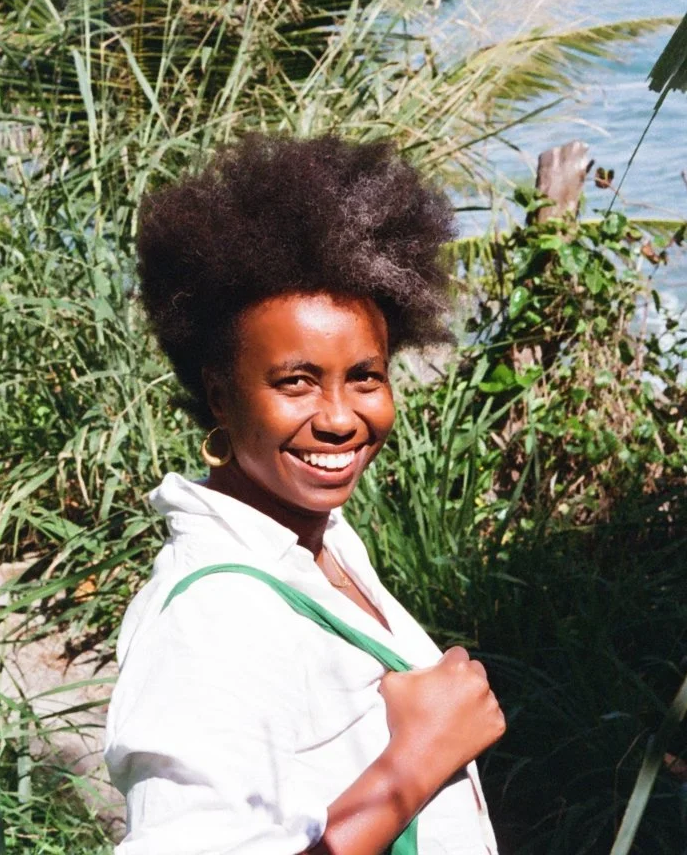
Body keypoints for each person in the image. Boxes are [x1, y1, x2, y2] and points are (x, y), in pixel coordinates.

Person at [105, 135, 505, 855]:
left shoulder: (316, 536)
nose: (340, 417)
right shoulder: (212, 617)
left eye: (365, 375)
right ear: (219, 395)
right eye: (294, 381)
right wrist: (412, 765)